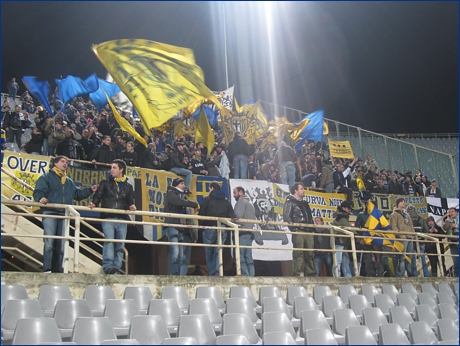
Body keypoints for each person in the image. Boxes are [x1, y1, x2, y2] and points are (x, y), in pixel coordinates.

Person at [33, 156, 98, 272]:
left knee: (62, 246)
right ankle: (47, 269)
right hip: (50, 212)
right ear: (55, 163)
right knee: (49, 244)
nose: (65, 164)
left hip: (64, 214)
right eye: (63, 161)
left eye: (67, 162)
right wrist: (41, 198)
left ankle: (58, 270)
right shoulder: (46, 177)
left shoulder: (68, 181)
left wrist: (90, 190)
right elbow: (38, 191)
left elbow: (77, 194)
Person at [88, 159, 136, 274]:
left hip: (122, 218)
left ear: (121, 170)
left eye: (114, 167)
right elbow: (98, 195)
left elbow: (130, 200)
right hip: (108, 217)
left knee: (120, 245)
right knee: (109, 241)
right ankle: (108, 267)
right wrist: (93, 202)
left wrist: (132, 206)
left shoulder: (128, 186)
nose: (111, 170)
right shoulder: (105, 183)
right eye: (111, 167)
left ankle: (116, 268)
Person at [199, 181, 235, 276]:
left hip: (209, 227)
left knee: (209, 252)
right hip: (222, 228)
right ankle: (217, 273)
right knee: (218, 252)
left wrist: (201, 227)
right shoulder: (226, 201)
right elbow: (232, 215)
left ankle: (212, 274)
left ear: (212, 188)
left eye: (209, 188)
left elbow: (202, 213)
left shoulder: (207, 199)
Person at [163, 178, 198, 275]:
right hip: (172, 225)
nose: (184, 185)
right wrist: (194, 204)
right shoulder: (171, 193)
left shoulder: (183, 197)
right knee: (175, 253)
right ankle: (173, 276)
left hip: (181, 227)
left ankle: (178, 276)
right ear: (176, 184)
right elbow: (178, 202)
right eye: (182, 183)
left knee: (181, 256)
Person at [283, 182, 316, 277]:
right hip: (299, 230)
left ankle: (311, 274)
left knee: (310, 253)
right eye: (301, 189)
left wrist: (312, 228)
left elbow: (309, 216)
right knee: (299, 253)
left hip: (308, 230)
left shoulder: (305, 203)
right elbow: (286, 217)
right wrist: (294, 229)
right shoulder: (290, 201)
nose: (303, 190)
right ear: (295, 190)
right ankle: (296, 273)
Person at [233, 186, 256, 276]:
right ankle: (251, 276)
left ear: (240, 192)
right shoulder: (250, 202)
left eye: (235, 193)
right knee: (248, 257)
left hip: (242, 232)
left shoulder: (241, 201)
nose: (234, 195)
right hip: (250, 232)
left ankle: (245, 276)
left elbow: (238, 214)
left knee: (240, 255)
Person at [390, 197, 417, 277]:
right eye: (402, 202)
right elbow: (393, 227)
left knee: (410, 257)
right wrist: (401, 235)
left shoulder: (407, 214)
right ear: (398, 203)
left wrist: (412, 235)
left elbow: (411, 225)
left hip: (409, 237)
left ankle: (410, 273)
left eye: (404, 202)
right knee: (402, 257)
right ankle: (401, 274)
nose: (403, 203)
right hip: (402, 238)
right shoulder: (394, 214)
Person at [331, 200, 357, 278]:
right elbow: (349, 229)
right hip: (339, 240)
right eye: (348, 209)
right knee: (338, 260)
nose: (349, 211)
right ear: (344, 208)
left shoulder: (340, 216)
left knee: (344, 260)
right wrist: (357, 235)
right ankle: (337, 276)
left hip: (342, 241)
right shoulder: (341, 217)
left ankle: (343, 275)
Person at [443, 207, 459, 277]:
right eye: (450, 212)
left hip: (458, 240)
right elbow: (445, 228)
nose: (451, 213)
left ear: (456, 212)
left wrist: (455, 226)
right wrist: (448, 220)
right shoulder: (448, 220)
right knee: (455, 261)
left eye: (452, 211)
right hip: (452, 242)